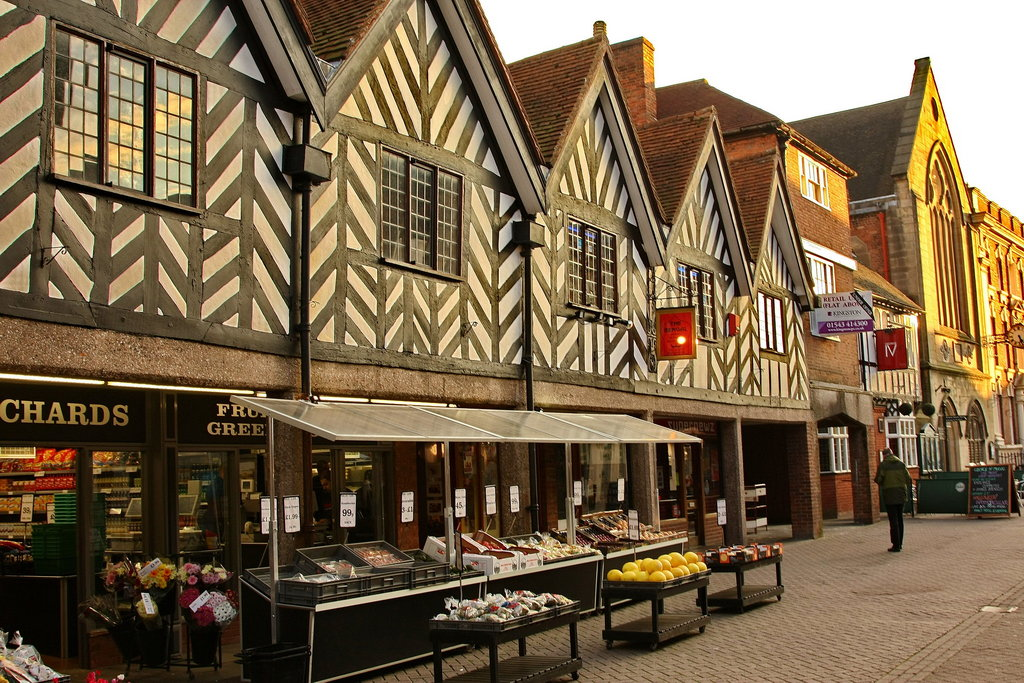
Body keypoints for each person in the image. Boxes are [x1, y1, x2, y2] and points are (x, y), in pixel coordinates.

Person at [874, 448, 912, 552]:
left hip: (889, 495)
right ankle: (900, 543)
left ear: (884, 455)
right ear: (892, 453)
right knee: (900, 519)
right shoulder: (901, 464)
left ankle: (895, 544)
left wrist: (883, 484)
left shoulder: (883, 465)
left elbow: (878, 479)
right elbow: (909, 479)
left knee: (893, 520)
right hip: (901, 494)